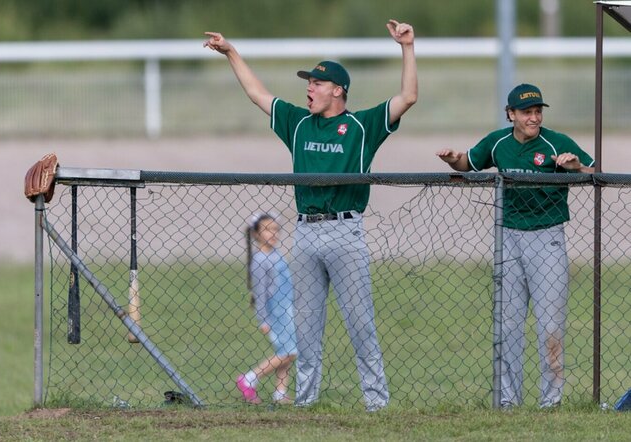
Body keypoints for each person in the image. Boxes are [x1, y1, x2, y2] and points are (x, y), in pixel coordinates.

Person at [204, 19, 418, 412]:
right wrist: (231, 52)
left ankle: (376, 402)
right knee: (306, 327)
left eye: (317, 84)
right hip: (305, 234)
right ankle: (305, 401)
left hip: (345, 231)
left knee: (360, 323)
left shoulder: (361, 126)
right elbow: (257, 94)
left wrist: (407, 46)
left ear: (338, 91)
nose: (309, 88)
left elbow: (407, 96)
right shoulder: (298, 123)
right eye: (309, 83)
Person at [436, 83, 595, 409]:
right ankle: (507, 401)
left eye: (537, 111)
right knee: (508, 325)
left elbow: (597, 171)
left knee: (550, 325)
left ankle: (550, 402)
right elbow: (469, 162)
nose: (534, 117)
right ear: (511, 114)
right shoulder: (498, 143)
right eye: (526, 112)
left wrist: (575, 167)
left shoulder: (556, 142)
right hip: (507, 239)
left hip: (547, 238)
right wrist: (454, 160)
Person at [237, 212, 298, 405]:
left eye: (275, 229)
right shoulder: (260, 260)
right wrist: (263, 319)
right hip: (276, 311)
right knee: (289, 351)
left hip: (288, 308)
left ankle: (280, 393)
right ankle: (249, 378)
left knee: (287, 351)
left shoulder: (276, 255)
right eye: (267, 230)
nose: (273, 234)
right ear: (256, 234)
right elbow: (260, 294)